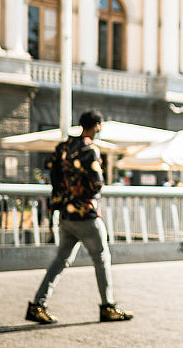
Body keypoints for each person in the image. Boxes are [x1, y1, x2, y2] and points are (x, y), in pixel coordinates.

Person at [26, 110, 133, 325]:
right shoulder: (89, 149)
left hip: (66, 214)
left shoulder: (64, 147)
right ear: (97, 126)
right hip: (86, 214)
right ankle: (107, 306)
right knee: (101, 258)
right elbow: (97, 183)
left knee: (61, 260)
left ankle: (37, 304)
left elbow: (52, 172)